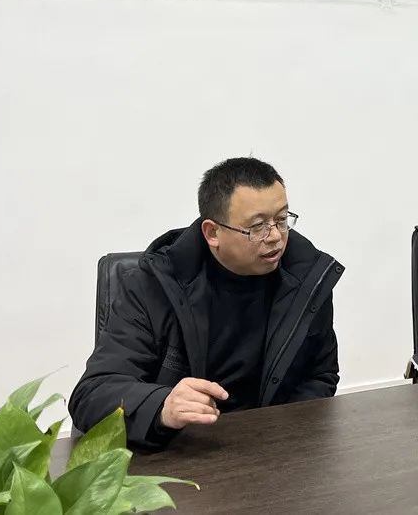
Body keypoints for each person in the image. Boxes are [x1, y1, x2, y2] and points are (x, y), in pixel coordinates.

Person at [70, 157, 344, 448]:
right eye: (257, 226)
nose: (275, 236)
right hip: (182, 453)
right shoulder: (152, 286)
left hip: (275, 449)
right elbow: (91, 395)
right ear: (213, 232)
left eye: (281, 219)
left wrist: (278, 433)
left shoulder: (308, 277)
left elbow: (320, 374)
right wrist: (162, 406)